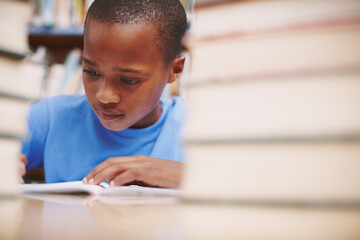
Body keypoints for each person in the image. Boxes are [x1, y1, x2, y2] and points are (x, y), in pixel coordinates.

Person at [20, 0, 187, 188]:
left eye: (129, 80)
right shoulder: (52, 118)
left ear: (175, 70)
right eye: (92, 72)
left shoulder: (202, 126)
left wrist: (191, 176)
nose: (104, 96)